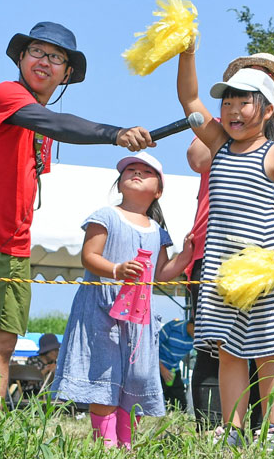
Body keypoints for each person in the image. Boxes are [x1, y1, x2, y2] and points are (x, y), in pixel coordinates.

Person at [0, 22, 153, 405]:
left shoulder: (38, 123)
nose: (46, 62)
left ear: (67, 73)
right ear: (21, 57)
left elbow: (35, 157)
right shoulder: (6, 95)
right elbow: (58, 123)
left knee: (2, 344)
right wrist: (114, 133)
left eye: (57, 57)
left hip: (16, 245)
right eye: (38, 51)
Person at [184, 52, 274, 432]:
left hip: (264, 271)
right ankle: (233, 429)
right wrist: (187, 53)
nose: (232, 108)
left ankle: (273, 430)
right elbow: (189, 100)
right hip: (221, 272)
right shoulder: (217, 144)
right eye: (227, 101)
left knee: (270, 355)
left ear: (266, 110)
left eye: (244, 100)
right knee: (229, 353)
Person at [51, 152, 192, 449]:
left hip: (139, 318)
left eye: (145, 171)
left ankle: (125, 443)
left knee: (137, 379)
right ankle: (106, 444)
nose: (136, 172)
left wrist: (187, 254)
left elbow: (163, 273)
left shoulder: (158, 231)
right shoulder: (105, 215)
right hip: (102, 311)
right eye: (130, 169)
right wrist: (117, 269)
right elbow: (89, 257)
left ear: (158, 191)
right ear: (119, 184)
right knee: (105, 377)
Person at [158, 318, 195, 410]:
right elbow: (151, 348)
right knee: (157, 400)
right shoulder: (172, 327)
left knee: (181, 405)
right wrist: (162, 369)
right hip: (157, 367)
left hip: (174, 370)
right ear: (192, 325)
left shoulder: (198, 338)